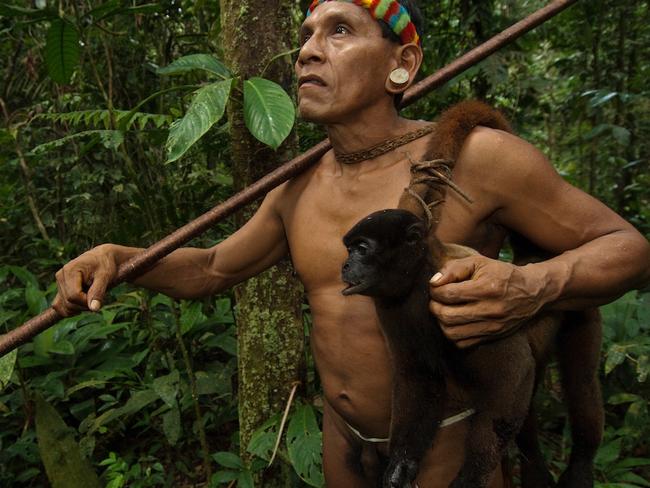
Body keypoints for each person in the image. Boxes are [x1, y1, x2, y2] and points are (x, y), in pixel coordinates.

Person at [53, 0, 650, 486]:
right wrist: (119, 259)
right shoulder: (295, 189)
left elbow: (628, 247)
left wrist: (532, 284)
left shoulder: (477, 160)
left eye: (340, 31)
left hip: (447, 451)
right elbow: (211, 268)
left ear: (403, 63)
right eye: (308, 33)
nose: (309, 50)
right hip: (345, 452)